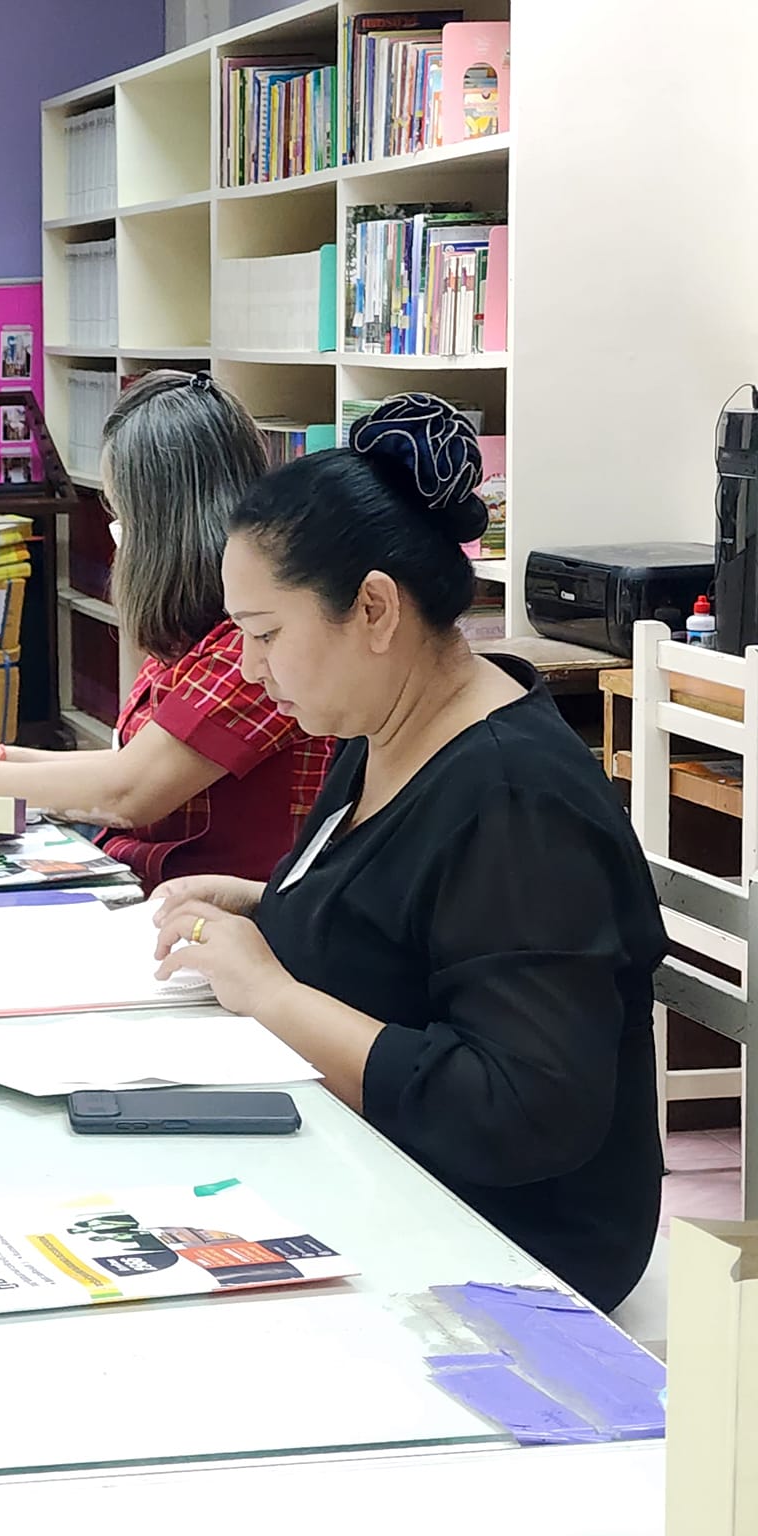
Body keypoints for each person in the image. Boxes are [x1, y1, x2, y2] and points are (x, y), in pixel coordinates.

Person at [150, 393, 665, 1312]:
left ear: (375, 609)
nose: (251, 668)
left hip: (509, 1239)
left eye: (266, 635)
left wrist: (271, 994)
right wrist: (262, 902)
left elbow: (520, 1109)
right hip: (378, 1162)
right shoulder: (383, 724)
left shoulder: (513, 800)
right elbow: (408, 919)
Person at [0, 371, 332, 887]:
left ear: (164, 521)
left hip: (200, 906)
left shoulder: (250, 648)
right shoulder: (189, 633)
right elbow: (123, 764)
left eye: (120, 510)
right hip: (141, 880)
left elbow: (126, 791)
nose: (116, 531)